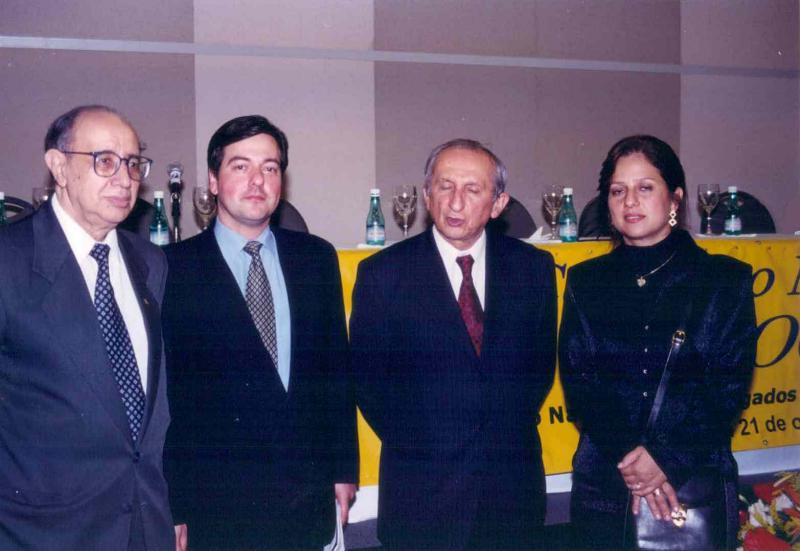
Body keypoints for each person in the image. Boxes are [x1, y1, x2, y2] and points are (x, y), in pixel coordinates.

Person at [162, 115, 358, 550]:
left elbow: (336, 374)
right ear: (213, 181)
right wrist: (175, 504)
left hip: (305, 500)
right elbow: (168, 399)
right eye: (241, 166)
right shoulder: (172, 269)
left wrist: (344, 469)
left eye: (270, 167)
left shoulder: (316, 258)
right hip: (218, 507)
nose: (257, 180)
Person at [350, 139, 557, 549]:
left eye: (472, 189)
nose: (456, 202)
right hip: (421, 496)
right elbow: (369, 385)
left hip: (511, 495)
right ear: (427, 195)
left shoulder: (533, 268)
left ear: (498, 204)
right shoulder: (383, 274)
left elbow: (537, 372)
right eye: (445, 186)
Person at [559, 135, 756, 549]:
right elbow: (581, 385)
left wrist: (664, 460)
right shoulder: (586, 281)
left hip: (691, 480)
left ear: (675, 199)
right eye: (618, 191)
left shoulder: (723, 280)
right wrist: (634, 464)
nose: (630, 201)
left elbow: (727, 390)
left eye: (645, 187)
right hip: (605, 482)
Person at [0, 105, 175, 549]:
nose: (124, 179)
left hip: (144, 525)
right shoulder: (9, 261)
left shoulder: (150, 263)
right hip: (42, 533)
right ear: (59, 167)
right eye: (105, 161)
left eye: (133, 163)